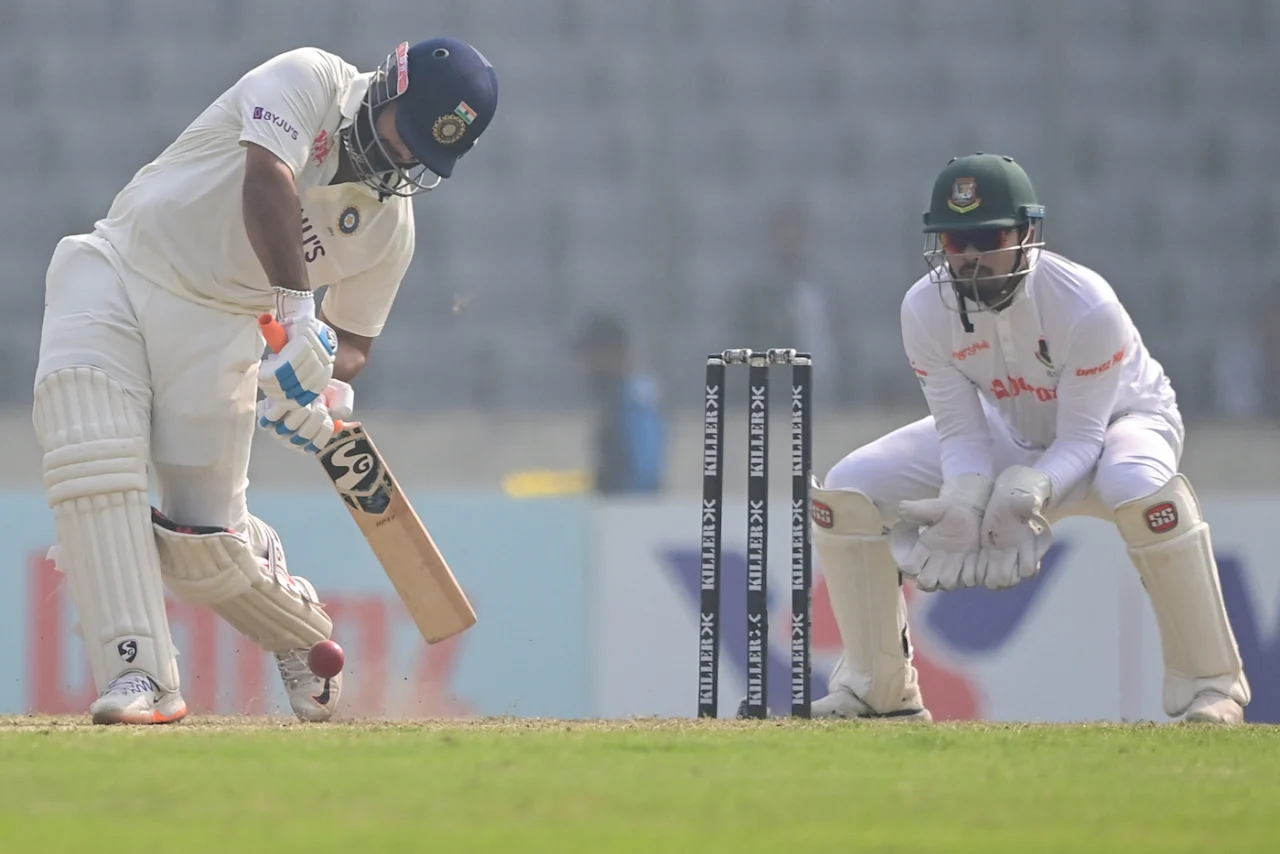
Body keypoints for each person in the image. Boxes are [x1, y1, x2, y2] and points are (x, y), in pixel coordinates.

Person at [32, 39, 498, 725]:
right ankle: (141, 679)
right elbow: (268, 180)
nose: (404, 161)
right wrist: (298, 315)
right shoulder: (309, 78)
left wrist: (313, 382)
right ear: (389, 88)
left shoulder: (388, 231)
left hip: (220, 330)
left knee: (205, 549)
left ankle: (297, 627)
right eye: (408, 136)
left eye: (423, 158)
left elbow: (355, 345)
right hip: (122, 267)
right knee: (92, 459)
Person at [808, 153, 1250, 724]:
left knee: (1139, 486)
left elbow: (1084, 437)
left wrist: (1031, 488)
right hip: (1011, 429)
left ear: (1026, 234)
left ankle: (1212, 685)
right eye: (953, 241)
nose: (968, 257)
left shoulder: (1086, 306)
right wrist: (967, 498)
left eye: (986, 236)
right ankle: (878, 689)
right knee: (850, 490)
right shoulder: (923, 308)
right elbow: (961, 433)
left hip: (1120, 425)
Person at [573, 312, 667, 495]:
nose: (584, 367)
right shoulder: (619, 400)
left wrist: (622, 513)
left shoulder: (635, 402)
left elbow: (644, 474)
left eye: (590, 356)